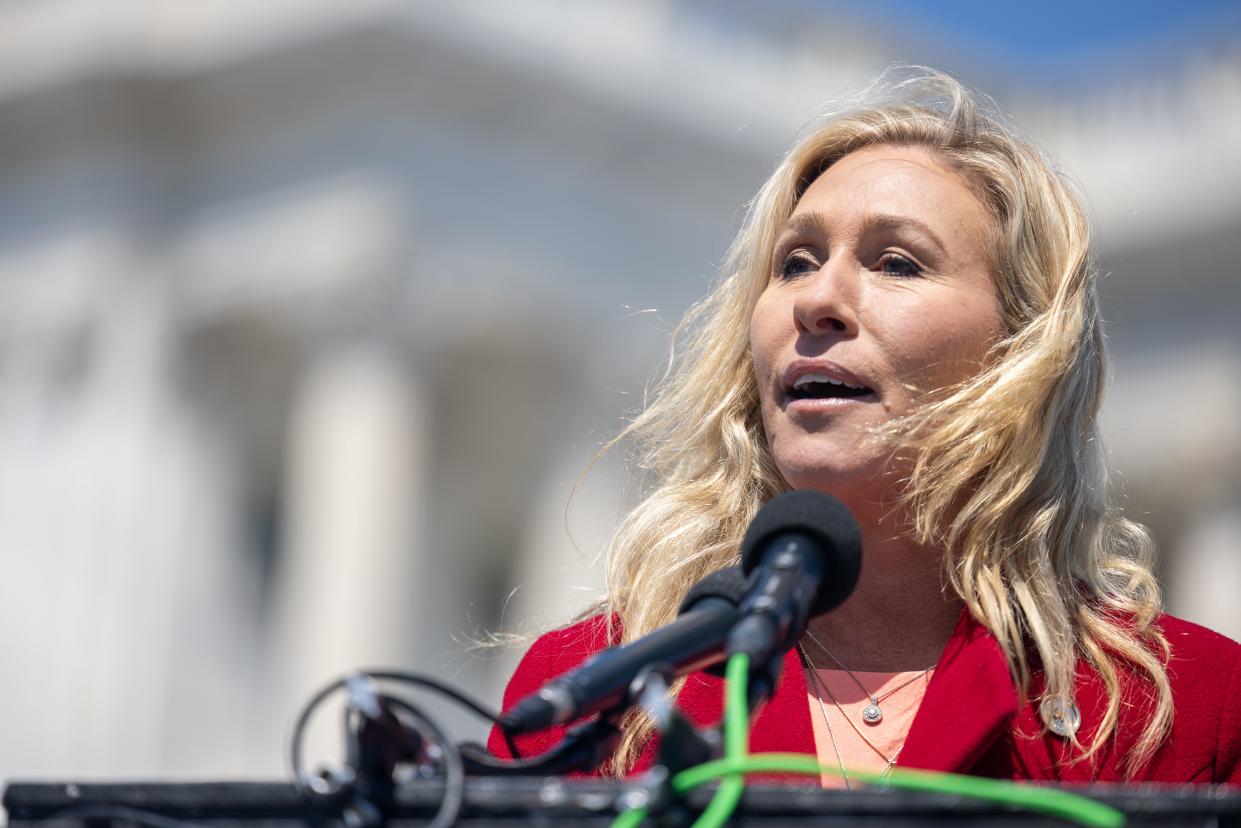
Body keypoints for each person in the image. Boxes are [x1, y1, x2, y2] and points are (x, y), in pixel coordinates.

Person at [487, 70, 1241, 786]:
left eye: (896, 263)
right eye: (794, 262)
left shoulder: (1184, 710)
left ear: (1021, 350)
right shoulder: (591, 694)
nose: (818, 297)